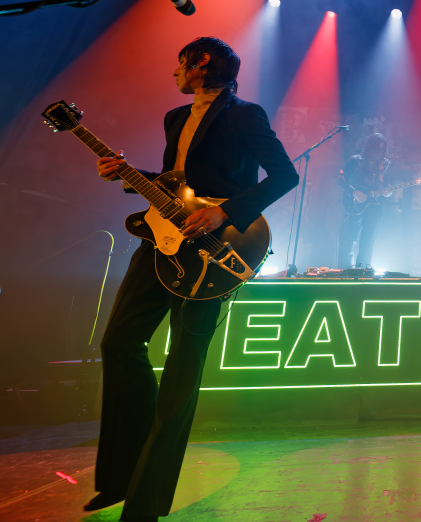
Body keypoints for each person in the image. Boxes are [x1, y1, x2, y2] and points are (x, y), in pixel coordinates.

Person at [91, 37, 298, 521]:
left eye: (180, 62)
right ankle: (122, 476)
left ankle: (145, 502)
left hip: (215, 253)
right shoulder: (175, 118)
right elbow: (174, 186)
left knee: (181, 371)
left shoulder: (245, 114)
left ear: (201, 61)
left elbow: (285, 175)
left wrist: (225, 212)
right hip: (162, 244)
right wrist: (125, 172)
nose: (175, 72)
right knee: (119, 343)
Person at [337, 133, 391, 269]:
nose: (377, 153)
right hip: (353, 205)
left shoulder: (386, 165)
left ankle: (362, 273)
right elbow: (340, 178)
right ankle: (345, 272)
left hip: (375, 207)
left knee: (368, 242)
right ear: (369, 147)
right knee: (347, 240)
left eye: (381, 150)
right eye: (375, 149)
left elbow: (390, 186)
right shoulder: (355, 160)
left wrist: (389, 192)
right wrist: (353, 192)